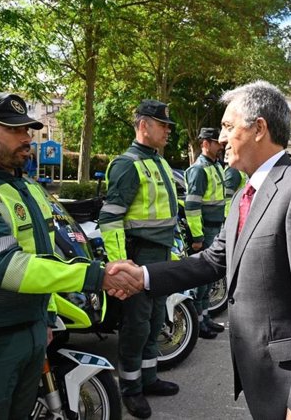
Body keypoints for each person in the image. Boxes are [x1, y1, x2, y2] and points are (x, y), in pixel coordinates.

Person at [108, 80, 291, 420]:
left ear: (259, 128)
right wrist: (143, 276)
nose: (221, 138)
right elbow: (214, 260)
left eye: (227, 126)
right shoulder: (245, 194)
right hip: (263, 376)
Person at [0, 92, 128, 418]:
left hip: (31, 328)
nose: (27, 138)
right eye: (14, 130)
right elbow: (8, 268)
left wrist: (47, 316)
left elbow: (45, 255)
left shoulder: (29, 188)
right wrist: (97, 275)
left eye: (27, 129)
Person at [98, 99, 180, 418]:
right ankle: (130, 389)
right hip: (139, 257)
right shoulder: (127, 163)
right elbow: (110, 218)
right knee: (136, 326)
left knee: (155, 320)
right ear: (144, 125)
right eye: (163, 125)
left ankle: (148, 379)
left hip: (159, 255)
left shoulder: (157, 161)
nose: (168, 131)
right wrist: (121, 266)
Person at [184, 127, 226, 339]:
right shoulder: (199, 169)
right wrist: (198, 237)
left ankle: (206, 317)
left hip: (215, 227)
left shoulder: (215, 166)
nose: (220, 145)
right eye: (216, 142)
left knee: (209, 278)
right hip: (206, 229)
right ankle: (199, 324)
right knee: (202, 279)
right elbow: (192, 206)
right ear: (205, 144)